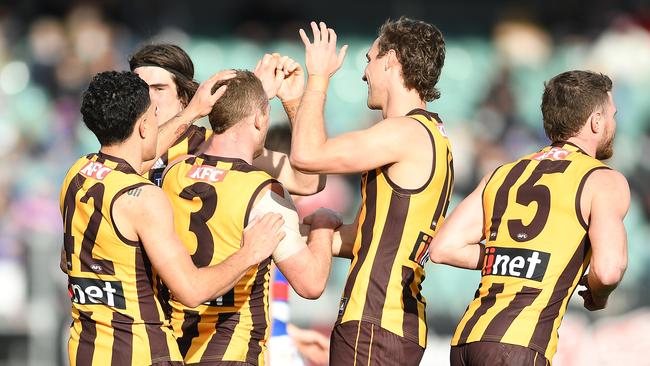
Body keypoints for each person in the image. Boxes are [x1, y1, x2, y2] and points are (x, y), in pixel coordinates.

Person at [60, 71, 285, 365]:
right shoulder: (143, 197)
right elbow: (192, 291)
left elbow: (65, 260)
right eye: (154, 116)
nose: (158, 124)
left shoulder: (76, 174)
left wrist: (192, 112)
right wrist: (249, 253)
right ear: (143, 126)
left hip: (85, 349)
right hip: (142, 350)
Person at [430, 70, 629, 365]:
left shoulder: (503, 173)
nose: (614, 123)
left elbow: (442, 248)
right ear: (596, 122)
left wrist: (510, 256)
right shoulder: (601, 180)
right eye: (611, 115)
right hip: (520, 344)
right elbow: (609, 270)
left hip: (467, 340)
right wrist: (599, 295)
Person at [291, 18, 451, 365]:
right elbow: (378, 239)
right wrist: (301, 231)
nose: (364, 72)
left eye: (369, 59)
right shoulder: (432, 135)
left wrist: (317, 78)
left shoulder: (404, 133)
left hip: (374, 318)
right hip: (394, 321)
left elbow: (306, 156)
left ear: (391, 60)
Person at [161, 70, 341, 366]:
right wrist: (322, 225)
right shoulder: (264, 191)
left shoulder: (173, 173)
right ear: (260, 119)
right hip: (235, 350)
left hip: (174, 347)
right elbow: (311, 283)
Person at [128, 43, 323, 195]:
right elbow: (130, 168)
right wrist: (192, 111)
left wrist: (292, 100)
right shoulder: (118, 141)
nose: (148, 99)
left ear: (184, 97)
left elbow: (307, 183)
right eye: (140, 88)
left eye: (159, 89)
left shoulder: (212, 144)